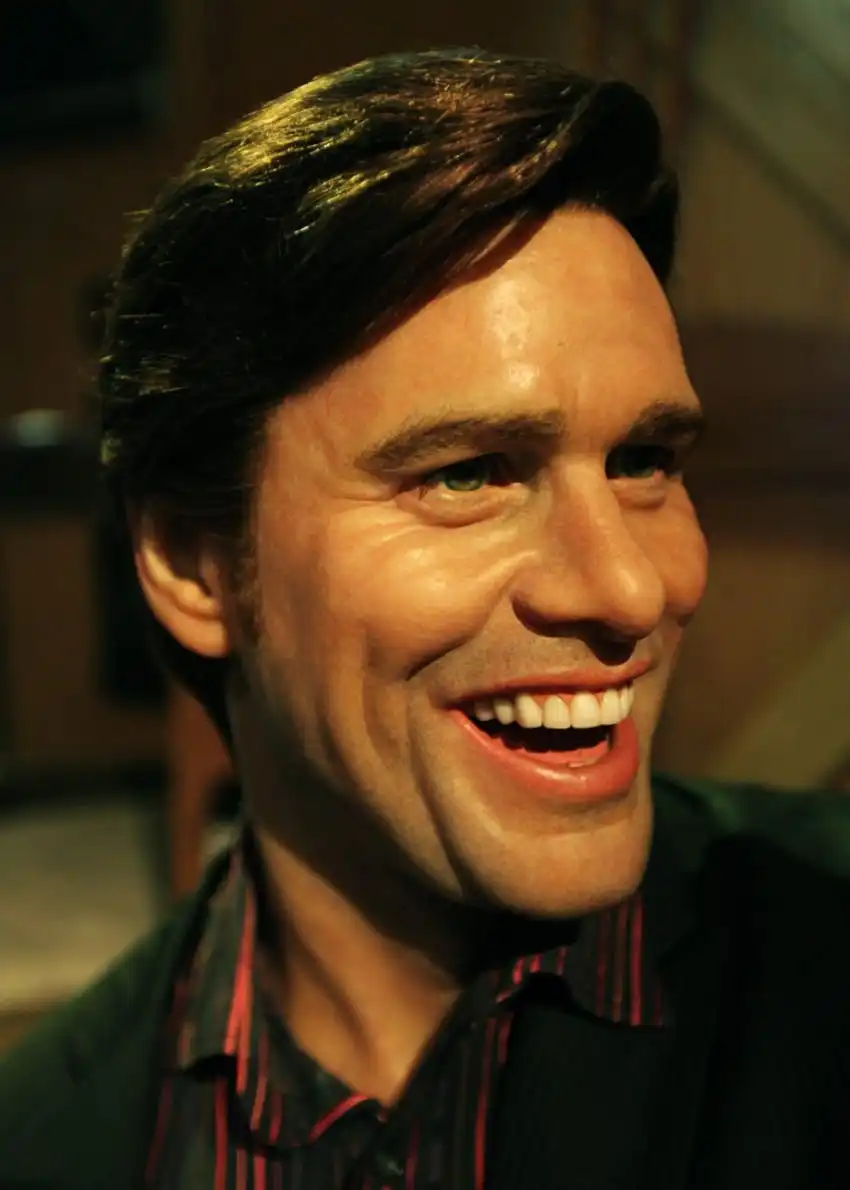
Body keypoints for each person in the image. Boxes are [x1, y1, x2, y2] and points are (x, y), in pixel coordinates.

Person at [2, 47, 850, 1190]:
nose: (631, 588)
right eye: (467, 473)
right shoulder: (52, 1139)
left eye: (644, 459)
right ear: (196, 564)